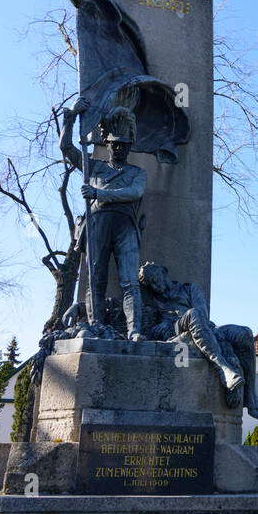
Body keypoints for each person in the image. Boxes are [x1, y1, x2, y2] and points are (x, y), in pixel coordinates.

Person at [138, 261, 258, 421]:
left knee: (244, 333)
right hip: (177, 330)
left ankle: (250, 397)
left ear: (164, 272)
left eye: (156, 279)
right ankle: (223, 369)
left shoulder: (190, 289)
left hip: (205, 326)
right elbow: (151, 330)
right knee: (193, 314)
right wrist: (163, 327)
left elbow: (202, 314)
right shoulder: (152, 303)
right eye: (151, 284)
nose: (156, 286)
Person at [75, 93, 146, 340]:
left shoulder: (138, 173)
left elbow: (134, 192)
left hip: (125, 226)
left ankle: (134, 330)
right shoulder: (94, 166)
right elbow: (65, 148)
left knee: (130, 281)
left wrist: (97, 192)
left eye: (123, 144)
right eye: (114, 143)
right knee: (95, 279)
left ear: (129, 146)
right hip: (98, 224)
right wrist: (70, 116)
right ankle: (96, 326)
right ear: (107, 144)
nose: (118, 148)